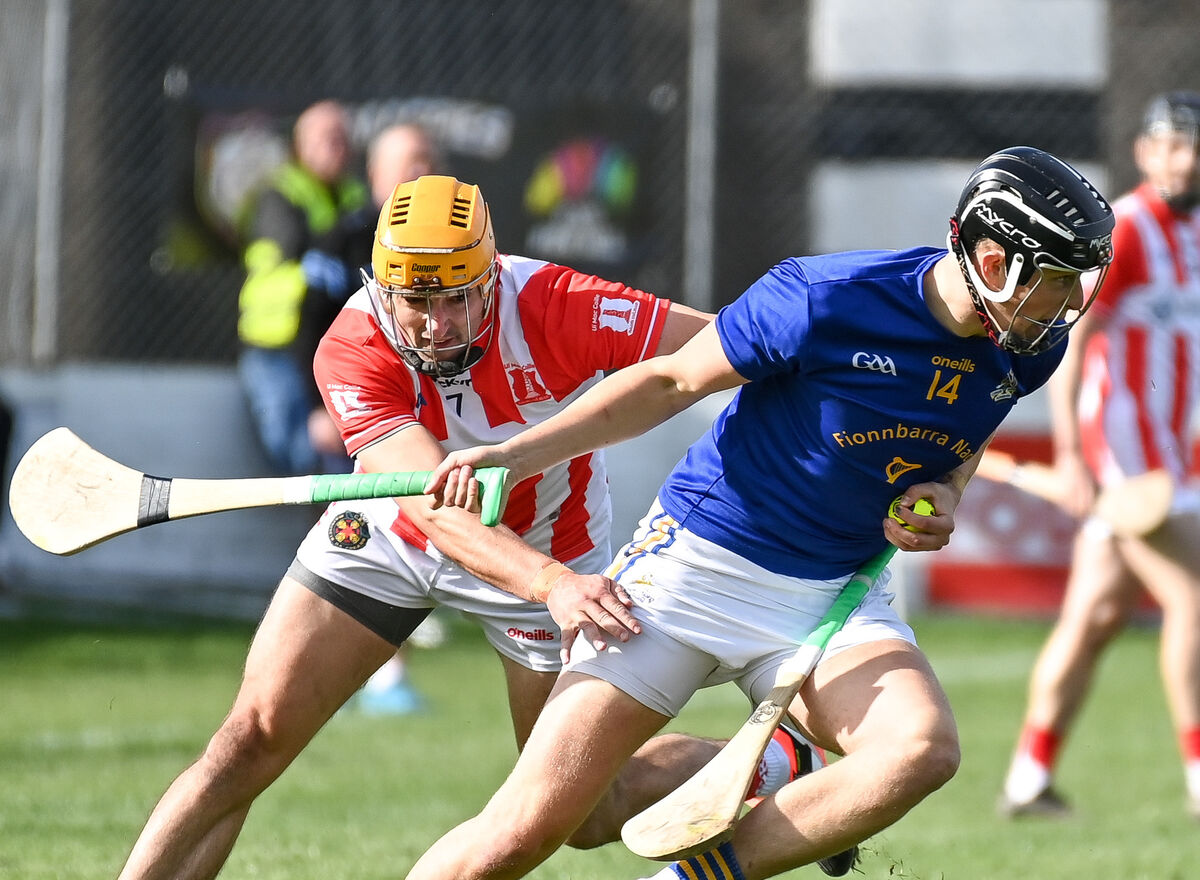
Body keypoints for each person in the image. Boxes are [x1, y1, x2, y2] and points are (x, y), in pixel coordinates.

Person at [412, 146, 1116, 880]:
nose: (1071, 305)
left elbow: (964, 434)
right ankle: (788, 758)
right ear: (996, 262)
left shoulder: (1030, 345)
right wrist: (514, 455)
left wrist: (948, 493)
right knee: (529, 831)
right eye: (1061, 280)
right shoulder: (824, 297)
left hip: (831, 600)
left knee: (920, 749)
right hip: (693, 571)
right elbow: (668, 381)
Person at [116, 174, 825, 880]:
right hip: (396, 535)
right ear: (382, 289)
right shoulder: (353, 343)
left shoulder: (558, 305)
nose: (438, 324)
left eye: (458, 298)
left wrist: (876, 428)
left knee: (580, 813)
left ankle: (780, 762)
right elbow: (429, 508)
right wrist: (552, 586)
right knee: (248, 742)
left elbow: (732, 346)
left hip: (547, 543)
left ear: (492, 278)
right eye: (417, 301)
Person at [999, 92, 1200, 820]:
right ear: (1145, 153)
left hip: (1171, 461)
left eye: (1193, 145)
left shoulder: (1196, 234)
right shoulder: (1131, 230)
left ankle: (1028, 776)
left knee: (1094, 618)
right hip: (1126, 463)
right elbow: (1072, 336)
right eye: (1169, 145)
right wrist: (1072, 457)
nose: (1183, 159)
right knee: (1193, 601)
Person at [236, 99, 367, 476]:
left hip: (326, 342)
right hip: (275, 345)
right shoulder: (279, 193)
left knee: (335, 453)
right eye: (327, 138)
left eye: (343, 138)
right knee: (293, 446)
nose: (337, 147)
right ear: (300, 144)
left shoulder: (353, 196)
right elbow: (284, 249)